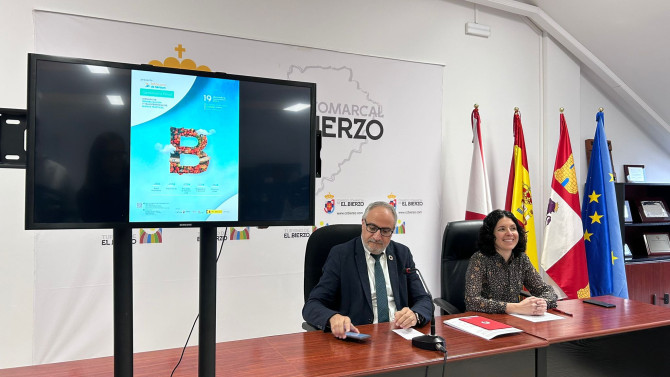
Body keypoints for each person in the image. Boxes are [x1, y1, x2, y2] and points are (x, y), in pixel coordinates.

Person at [302, 201, 433, 339]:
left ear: (392, 231)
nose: (377, 236)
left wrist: (414, 315)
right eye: (372, 227)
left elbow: (424, 299)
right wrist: (332, 318)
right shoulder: (341, 255)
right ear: (363, 224)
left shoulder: (402, 253)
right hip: (360, 337)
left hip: (399, 336)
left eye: (385, 231)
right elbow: (312, 305)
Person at [465, 209, 558, 315]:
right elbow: (472, 301)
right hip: (484, 321)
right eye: (502, 229)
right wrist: (515, 307)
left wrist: (540, 303)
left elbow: (546, 291)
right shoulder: (479, 259)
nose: (509, 233)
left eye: (513, 228)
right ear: (490, 235)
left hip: (514, 319)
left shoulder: (521, 259)